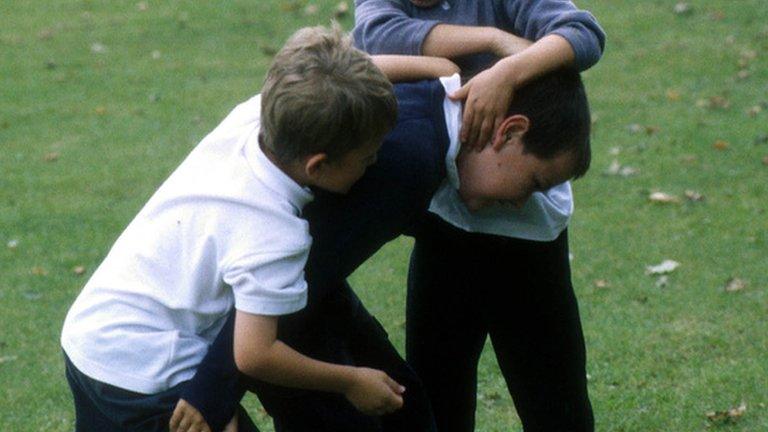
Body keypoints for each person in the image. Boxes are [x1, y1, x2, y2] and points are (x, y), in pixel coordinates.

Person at [183, 64, 593, 432]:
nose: (523, 203)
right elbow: (303, 266)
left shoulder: (432, 100)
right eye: (535, 183)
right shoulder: (412, 162)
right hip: (262, 310)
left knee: (406, 406)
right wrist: (213, 389)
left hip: (300, 296)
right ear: (511, 131)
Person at [60, 25, 403, 432]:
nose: (373, 163)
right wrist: (351, 381)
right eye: (366, 157)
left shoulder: (252, 118)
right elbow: (255, 355)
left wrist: (444, 66)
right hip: (144, 369)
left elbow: (342, 75)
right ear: (318, 166)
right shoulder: (274, 232)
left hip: (91, 332)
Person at [353, 1, 605, 430]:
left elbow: (583, 33)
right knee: (437, 390)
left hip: (526, 233)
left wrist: (508, 72)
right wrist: (492, 41)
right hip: (445, 218)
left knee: (554, 398)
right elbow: (377, 36)